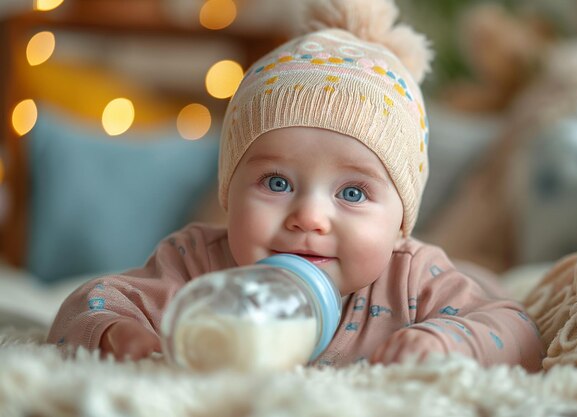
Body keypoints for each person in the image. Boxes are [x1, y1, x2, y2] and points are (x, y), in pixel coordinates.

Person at [47, 0, 544, 370]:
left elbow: (517, 328)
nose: (309, 216)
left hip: (467, 281)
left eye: (352, 193)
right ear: (229, 189)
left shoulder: (413, 281)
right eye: (277, 181)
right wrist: (117, 333)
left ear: (400, 222)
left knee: (489, 279)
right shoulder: (197, 265)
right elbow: (88, 303)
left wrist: (448, 340)